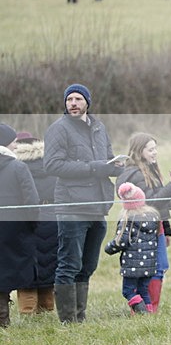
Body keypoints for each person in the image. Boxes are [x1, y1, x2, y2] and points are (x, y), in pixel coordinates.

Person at [43, 83, 124, 323]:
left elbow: (106, 159)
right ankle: (68, 320)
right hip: (72, 207)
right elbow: (52, 165)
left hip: (98, 206)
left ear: (87, 102)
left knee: (88, 265)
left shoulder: (99, 127)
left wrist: (116, 166)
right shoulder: (58, 129)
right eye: (69, 99)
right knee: (69, 264)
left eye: (78, 99)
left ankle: (80, 316)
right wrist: (94, 168)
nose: (73, 103)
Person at [116, 133, 171, 313]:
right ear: (139, 151)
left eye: (155, 149)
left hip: (156, 227)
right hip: (142, 230)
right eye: (150, 149)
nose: (155, 152)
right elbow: (151, 203)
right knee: (150, 269)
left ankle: (150, 309)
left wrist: (166, 230)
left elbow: (160, 207)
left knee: (160, 267)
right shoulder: (135, 174)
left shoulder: (150, 170)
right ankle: (145, 309)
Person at [0, 123, 40, 327]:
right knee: (7, 272)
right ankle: (3, 319)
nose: (16, 146)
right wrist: (32, 225)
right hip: (14, 230)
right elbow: (32, 202)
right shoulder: (18, 167)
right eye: (14, 142)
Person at [14, 131, 58, 317]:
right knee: (49, 264)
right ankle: (47, 310)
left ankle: (27, 313)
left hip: (25, 218)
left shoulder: (15, 166)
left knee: (27, 269)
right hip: (52, 217)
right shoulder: (51, 163)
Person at [104, 183, 159, 314]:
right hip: (149, 264)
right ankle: (149, 313)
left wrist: (109, 248)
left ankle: (142, 313)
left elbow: (121, 241)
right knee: (143, 290)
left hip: (132, 265)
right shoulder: (153, 217)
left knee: (128, 291)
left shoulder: (127, 219)